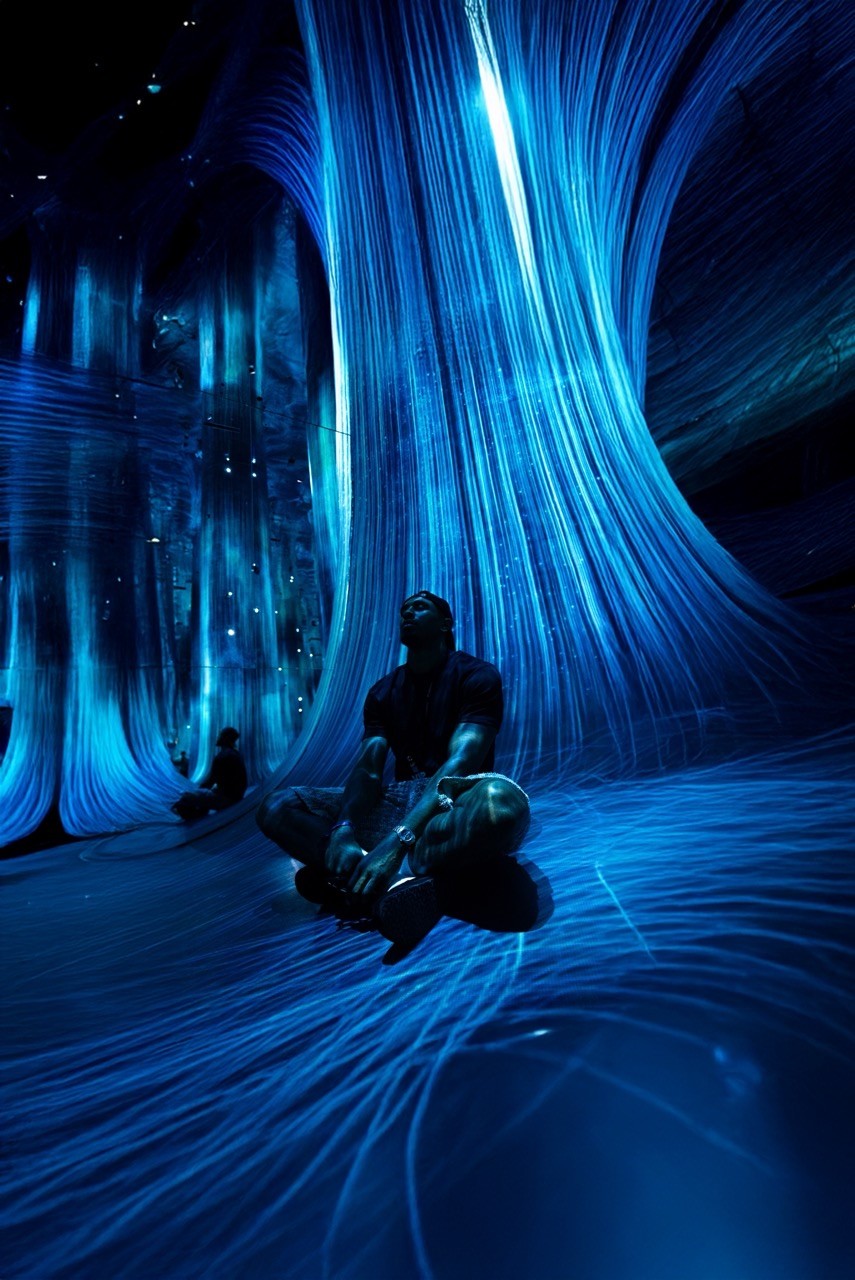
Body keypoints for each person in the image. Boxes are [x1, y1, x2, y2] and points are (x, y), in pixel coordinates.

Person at [256, 592, 530, 945]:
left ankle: (363, 877)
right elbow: (369, 769)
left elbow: (460, 764)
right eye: (403, 610)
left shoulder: (477, 676)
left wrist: (398, 841)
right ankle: (399, 881)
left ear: (445, 624)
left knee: (500, 805)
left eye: (419, 607)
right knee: (277, 807)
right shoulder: (382, 692)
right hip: (401, 799)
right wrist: (342, 828)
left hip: (454, 798)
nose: (408, 613)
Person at [172, 727, 247, 820]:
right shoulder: (235, 754)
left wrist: (195, 791)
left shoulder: (222, 757)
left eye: (220, 735)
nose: (217, 737)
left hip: (227, 799)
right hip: (237, 796)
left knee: (186, 798)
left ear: (225, 739)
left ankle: (193, 814)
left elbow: (211, 781)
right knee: (204, 794)